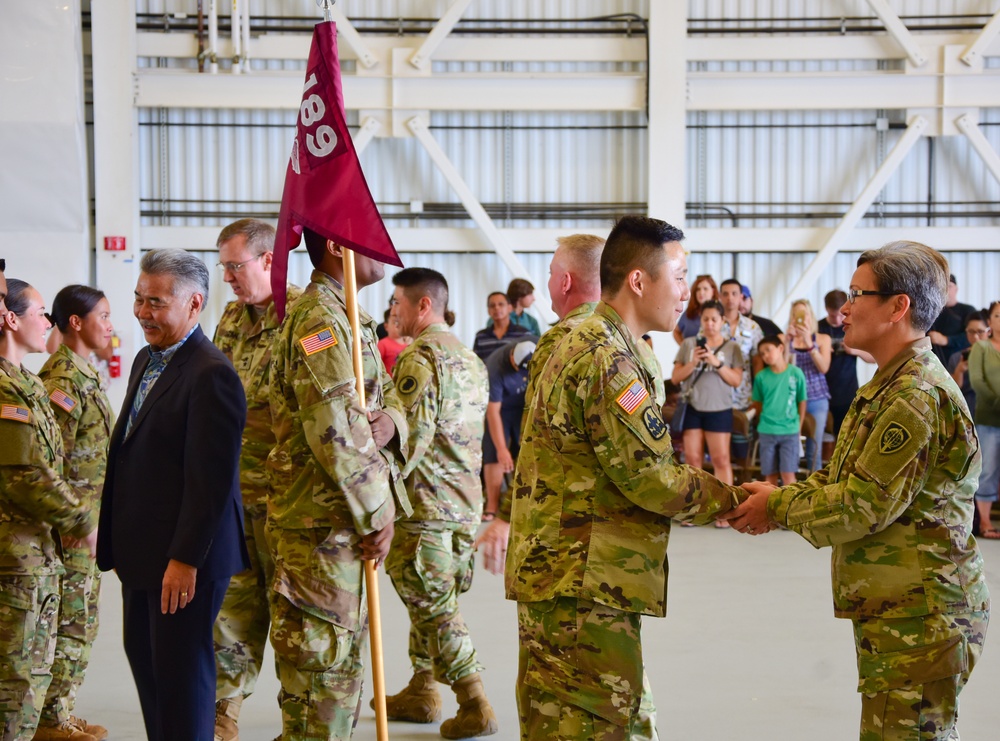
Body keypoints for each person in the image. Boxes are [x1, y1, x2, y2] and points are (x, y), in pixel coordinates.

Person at [727, 240, 989, 741]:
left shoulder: (914, 397)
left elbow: (860, 505)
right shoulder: (888, 385)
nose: (844, 309)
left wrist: (776, 506)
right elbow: (844, 479)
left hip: (922, 614)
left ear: (897, 306)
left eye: (857, 294)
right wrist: (778, 496)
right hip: (903, 609)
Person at [506, 216, 744, 739]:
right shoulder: (606, 358)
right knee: (589, 724)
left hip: (566, 571)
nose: (684, 292)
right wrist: (740, 502)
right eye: (679, 277)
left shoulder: (584, 339)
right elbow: (651, 477)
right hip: (582, 579)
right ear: (639, 281)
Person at [97, 249, 249, 741]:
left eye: (156, 302)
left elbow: (211, 482)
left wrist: (185, 560)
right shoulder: (149, 357)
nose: (142, 312)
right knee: (147, 661)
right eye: (139, 299)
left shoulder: (211, 373)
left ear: (193, 303)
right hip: (145, 551)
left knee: (181, 675)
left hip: (184, 559)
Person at [266, 229, 410, 740]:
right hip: (319, 532)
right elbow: (335, 428)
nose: (386, 253)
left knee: (340, 683)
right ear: (338, 247)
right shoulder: (320, 319)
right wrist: (381, 511)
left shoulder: (353, 317)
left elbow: (388, 397)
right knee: (319, 695)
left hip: (341, 531)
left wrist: (392, 421)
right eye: (371, 240)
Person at [381, 268, 498, 739]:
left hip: (426, 507)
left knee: (433, 604)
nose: (394, 312)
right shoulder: (470, 359)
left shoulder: (420, 359)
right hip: (464, 504)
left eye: (398, 304)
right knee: (429, 599)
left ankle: (474, 701)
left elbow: (408, 441)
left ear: (423, 306)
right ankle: (423, 687)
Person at [210, 218, 303, 740]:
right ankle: (225, 714)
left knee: (292, 616)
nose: (227, 277)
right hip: (234, 497)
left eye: (234, 266)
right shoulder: (230, 319)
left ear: (269, 260)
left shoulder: (307, 318)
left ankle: (298, 724)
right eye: (223, 266)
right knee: (230, 607)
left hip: (290, 502)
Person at [0, 276, 98, 741]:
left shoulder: (25, 385)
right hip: (14, 557)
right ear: (9, 317)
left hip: (38, 552)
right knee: (14, 681)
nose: (48, 322)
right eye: (40, 313)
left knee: (33, 673)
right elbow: (26, 475)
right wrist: (80, 518)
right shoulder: (5, 390)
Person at [476, 233, 605, 575]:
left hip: (563, 527)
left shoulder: (558, 343)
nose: (547, 283)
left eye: (550, 273)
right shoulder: (627, 337)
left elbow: (541, 442)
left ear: (564, 282)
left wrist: (505, 515)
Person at [34, 286, 114, 741]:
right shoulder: (63, 380)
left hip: (89, 519)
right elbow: (52, 460)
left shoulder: (84, 372)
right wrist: (74, 522)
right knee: (70, 619)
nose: (110, 324)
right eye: (103, 315)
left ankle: (60, 709)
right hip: (72, 526)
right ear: (77, 323)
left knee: (80, 617)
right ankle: (50, 719)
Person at [671, 300, 744, 521]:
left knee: (721, 459)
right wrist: (693, 362)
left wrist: (716, 362)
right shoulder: (689, 344)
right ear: (700, 321)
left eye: (714, 319)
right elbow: (675, 377)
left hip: (719, 409)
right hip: (693, 407)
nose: (710, 324)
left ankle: (725, 511)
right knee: (692, 459)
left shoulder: (732, 348)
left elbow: (736, 380)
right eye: (705, 319)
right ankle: (695, 510)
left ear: (723, 321)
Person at [482, 338, 537, 519]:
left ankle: (525, 506)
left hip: (526, 405)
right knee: (495, 454)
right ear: (512, 358)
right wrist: (501, 449)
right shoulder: (495, 367)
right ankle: (492, 506)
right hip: (501, 409)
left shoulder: (539, 346)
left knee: (528, 451)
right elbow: (492, 412)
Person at [749, 335, 807, 486]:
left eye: (768, 350)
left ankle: (788, 509)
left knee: (788, 476)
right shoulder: (761, 377)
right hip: (767, 430)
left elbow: (802, 401)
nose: (765, 356)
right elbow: (758, 403)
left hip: (790, 431)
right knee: (770, 477)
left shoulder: (796, 373)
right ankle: (770, 508)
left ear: (780, 348)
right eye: (762, 353)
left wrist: (798, 427)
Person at [785, 299, 833, 471]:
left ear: (810, 316)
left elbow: (824, 367)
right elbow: (782, 369)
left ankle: (815, 490)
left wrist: (810, 344)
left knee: (815, 448)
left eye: (803, 314)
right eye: (795, 314)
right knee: (790, 446)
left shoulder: (822, 339)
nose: (800, 318)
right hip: (791, 399)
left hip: (816, 397)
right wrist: (786, 342)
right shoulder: (786, 339)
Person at [818, 289, 872, 437]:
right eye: (832, 315)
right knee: (821, 439)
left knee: (845, 437)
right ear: (826, 309)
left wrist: (855, 351)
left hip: (847, 394)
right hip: (821, 393)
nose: (837, 320)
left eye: (840, 315)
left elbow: (873, 358)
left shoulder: (852, 327)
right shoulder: (818, 328)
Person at [968, 300, 1000, 540]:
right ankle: (985, 522)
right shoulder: (982, 348)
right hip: (989, 419)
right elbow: (977, 382)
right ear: (990, 321)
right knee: (987, 470)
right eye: (997, 316)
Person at [718, 278, 763, 410]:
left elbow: (757, 361)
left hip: (744, 395)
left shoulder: (752, 327)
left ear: (740, 297)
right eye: (725, 294)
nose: (730, 298)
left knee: (743, 430)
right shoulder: (711, 325)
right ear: (720, 297)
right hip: (717, 395)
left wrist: (757, 394)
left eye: (734, 293)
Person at [947, 310, 988, 418]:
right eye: (971, 331)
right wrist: (959, 370)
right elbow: (951, 393)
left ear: (989, 331)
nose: (975, 336)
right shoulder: (956, 358)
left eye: (980, 331)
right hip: (965, 414)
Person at [928, 274, 975, 364]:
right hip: (934, 362)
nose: (945, 290)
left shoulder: (968, 310)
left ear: (956, 289)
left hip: (960, 362)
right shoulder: (931, 311)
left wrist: (946, 340)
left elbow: (974, 336)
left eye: (949, 286)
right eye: (942, 286)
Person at [472, 292, 529, 362]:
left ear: (510, 308)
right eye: (492, 305)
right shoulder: (481, 336)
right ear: (488, 311)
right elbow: (476, 364)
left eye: (501, 304)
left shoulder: (523, 334)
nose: (496, 308)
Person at [672, 274, 718, 344]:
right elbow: (676, 331)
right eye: (698, 289)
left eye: (705, 289)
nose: (701, 293)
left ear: (713, 291)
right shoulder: (690, 312)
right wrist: (684, 347)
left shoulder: (720, 312)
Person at [376, 309, 410, 375]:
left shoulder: (410, 344)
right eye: (395, 322)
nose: (399, 325)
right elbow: (376, 367)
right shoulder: (382, 344)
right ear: (386, 326)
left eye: (402, 322)